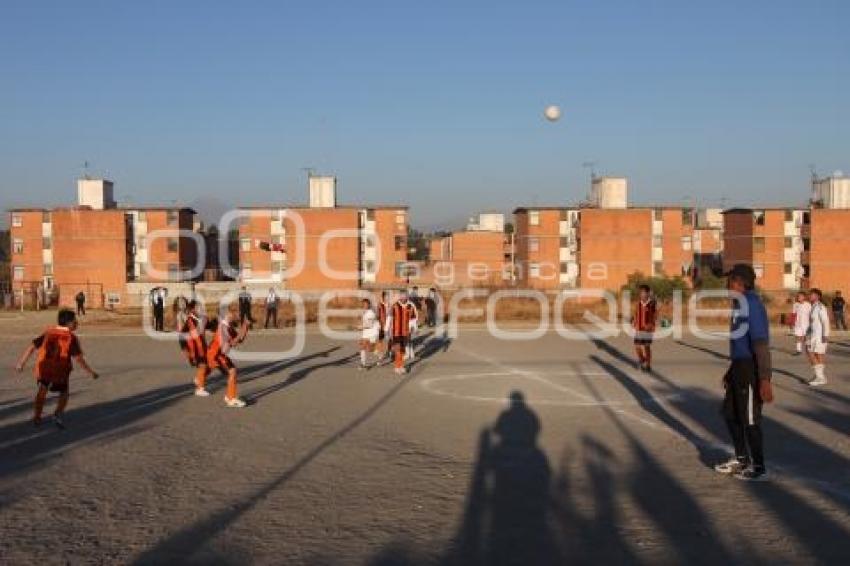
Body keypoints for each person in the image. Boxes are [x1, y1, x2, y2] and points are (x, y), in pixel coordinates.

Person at [714, 264, 773, 481]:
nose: (726, 284)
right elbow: (741, 343)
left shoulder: (752, 304)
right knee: (730, 414)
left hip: (751, 368)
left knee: (749, 419)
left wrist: (764, 378)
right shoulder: (739, 304)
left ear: (740, 282)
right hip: (738, 367)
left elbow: (760, 343)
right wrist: (731, 371)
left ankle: (759, 468)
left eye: (729, 280)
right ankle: (741, 459)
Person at [15, 309, 99, 428]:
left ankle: (37, 417)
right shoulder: (71, 338)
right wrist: (91, 372)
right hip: (60, 371)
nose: (76, 323)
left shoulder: (49, 333)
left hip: (45, 368)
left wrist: (21, 363)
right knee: (64, 393)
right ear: (69, 323)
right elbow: (79, 359)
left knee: (42, 391)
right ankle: (57, 414)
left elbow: (32, 347)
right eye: (75, 320)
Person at [207, 309, 249, 407]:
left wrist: (245, 326)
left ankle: (229, 396)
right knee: (232, 371)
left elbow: (240, 339)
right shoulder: (222, 328)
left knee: (232, 372)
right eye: (230, 313)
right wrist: (235, 339)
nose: (233, 314)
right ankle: (231, 399)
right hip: (215, 355)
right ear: (225, 316)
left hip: (220, 354)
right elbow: (226, 346)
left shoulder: (228, 327)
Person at [180, 300, 212, 397]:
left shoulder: (200, 319)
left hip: (202, 346)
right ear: (193, 310)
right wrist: (185, 350)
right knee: (203, 365)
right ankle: (200, 389)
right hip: (194, 349)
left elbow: (210, 326)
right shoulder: (190, 321)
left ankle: (199, 378)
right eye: (199, 307)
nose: (201, 309)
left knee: (210, 364)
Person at [386, 290, 417, 375]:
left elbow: (413, 319)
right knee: (398, 349)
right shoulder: (395, 306)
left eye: (405, 296)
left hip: (405, 332)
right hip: (396, 331)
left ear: (407, 297)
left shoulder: (410, 306)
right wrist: (386, 329)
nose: (403, 298)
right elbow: (389, 317)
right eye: (402, 296)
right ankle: (397, 366)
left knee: (403, 350)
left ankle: (401, 366)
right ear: (400, 297)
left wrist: (414, 328)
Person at [806, 288, 830, 387]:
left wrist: (825, 335)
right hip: (813, 335)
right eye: (810, 294)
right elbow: (812, 322)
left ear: (817, 296)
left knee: (815, 354)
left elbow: (825, 321)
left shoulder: (820, 307)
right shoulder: (813, 307)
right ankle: (820, 376)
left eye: (812, 294)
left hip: (819, 336)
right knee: (813, 354)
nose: (810, 296)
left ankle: (820, 377)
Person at [633, 284, 657, 372]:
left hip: (648, 329)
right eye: (640, 293)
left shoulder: (651, 303)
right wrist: (634, 321)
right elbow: (636, 313)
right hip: (639, 328)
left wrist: (652, 325)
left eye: (643, 292)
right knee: (637, 346)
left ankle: (648, 365)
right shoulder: (638, 303)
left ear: (647, 293)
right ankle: (642, 359)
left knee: (646, 347)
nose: (641, 294)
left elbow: (655, 315)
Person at [358, 298, 381, 370]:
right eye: (363, 304)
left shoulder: (371, 313)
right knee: (362, 346)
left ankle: (378, 353)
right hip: (366, 332)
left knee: (369, 349)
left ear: (369, 305)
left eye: (366, 304)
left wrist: (361, 327)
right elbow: (364, 321)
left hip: (373, 332)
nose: (364, 305)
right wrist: (360, 322)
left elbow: (370, 325)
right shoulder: (364, 312)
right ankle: (363, 364)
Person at [791, 291, 811, 356]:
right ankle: (798, 350)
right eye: (798, 296)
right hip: (798, 324)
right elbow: (793, 314)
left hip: (806, 324)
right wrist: (792, 323)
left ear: (804, 297)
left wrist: (812, 323)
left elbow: (811, 314)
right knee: (798, 337)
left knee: (806, 337)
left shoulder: (808, 304)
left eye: (800, 296)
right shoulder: (795, 305)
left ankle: (809, 349)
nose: (798, 297)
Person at [375, 291, 390, 365]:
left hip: (389, 326)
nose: (387, 298)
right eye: (386, 296)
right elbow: (377, 315)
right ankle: (380, 359)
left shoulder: (390, 305)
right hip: (382, 325)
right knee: (381, 341)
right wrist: (378, 324)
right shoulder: (380, 305)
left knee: (389, 340)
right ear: (383, 297)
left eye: (388, 296)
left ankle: (389, 352)